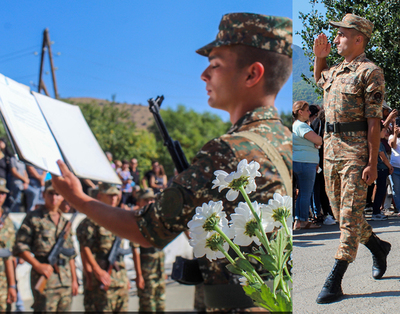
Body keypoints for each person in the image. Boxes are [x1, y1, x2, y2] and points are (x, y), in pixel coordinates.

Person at [52, 12, 293, 312]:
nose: (204, 75)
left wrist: (79, 199)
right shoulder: (288, 142)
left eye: (215, 65)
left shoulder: (226, 151)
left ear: (252, 75)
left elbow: (146, 230)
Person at [313, 13, 391, 304]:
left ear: (359, 38)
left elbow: (374, 121)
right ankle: (377, 246)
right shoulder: (335, 70)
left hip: (356, 153)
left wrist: (372, 161)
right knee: (340, 213)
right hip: (331, 151)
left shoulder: (370, 72)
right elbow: (321, 80)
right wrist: (320, 57)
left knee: (348, 217)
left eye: (342, 35)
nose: (335, 39)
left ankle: (334, 280)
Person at [12, 180, 78, 311]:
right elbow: (19, 246)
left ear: (62, 197)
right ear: (43, 194)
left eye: (57, 194)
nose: (54, 197)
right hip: (45, 280)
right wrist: (37, 265)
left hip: (65, 280)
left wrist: (74, 280)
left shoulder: (65, 223)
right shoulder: (33, 218)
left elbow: (70, 254)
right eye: (50, 193)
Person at [76, 183, 131, 312]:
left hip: (120, 278)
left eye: (115, 196)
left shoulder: (120, 219)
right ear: (100, 196)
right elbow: (85, 248)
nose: (113, 199)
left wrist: (125, 278)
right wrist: (96, 272)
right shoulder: (91, 221)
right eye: (110, 195)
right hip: (102, 277)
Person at [130, 189, 166, 312]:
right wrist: (139, 275)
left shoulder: (156, 219)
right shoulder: (136, 221)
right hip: (147, 274)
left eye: (152, 199)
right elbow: (135, 251)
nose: (150, 202)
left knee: (161, 305)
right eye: (146, 200)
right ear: (139, 202)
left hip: (159, 271)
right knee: (148, 307)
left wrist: (163, 270)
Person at [292, 101, 322, 229]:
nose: (310, 113)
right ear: (300, 112)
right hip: (306, 162)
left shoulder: (296, 125)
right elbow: (318, 140)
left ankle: (299, 220)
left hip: (299, 161)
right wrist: (317, 142)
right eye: (307, 110)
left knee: (301, 193)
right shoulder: (302, 126)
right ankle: (302, 220)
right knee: (305, 193)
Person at [0, 178, 17, 312]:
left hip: (2, 285)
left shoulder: (8, 223)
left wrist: (12, 285)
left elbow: (9, 257)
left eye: (2, 193)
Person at [372, 124, 393, 220]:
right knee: (380, 191)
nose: (385, 133)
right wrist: (390, 166)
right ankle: (376, 212)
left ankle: (377, 211)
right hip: (381, 168)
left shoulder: (379, 142)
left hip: (381, 169)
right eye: (383, 131)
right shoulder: (378, 143)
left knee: (381, 191)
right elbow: (382, 157)